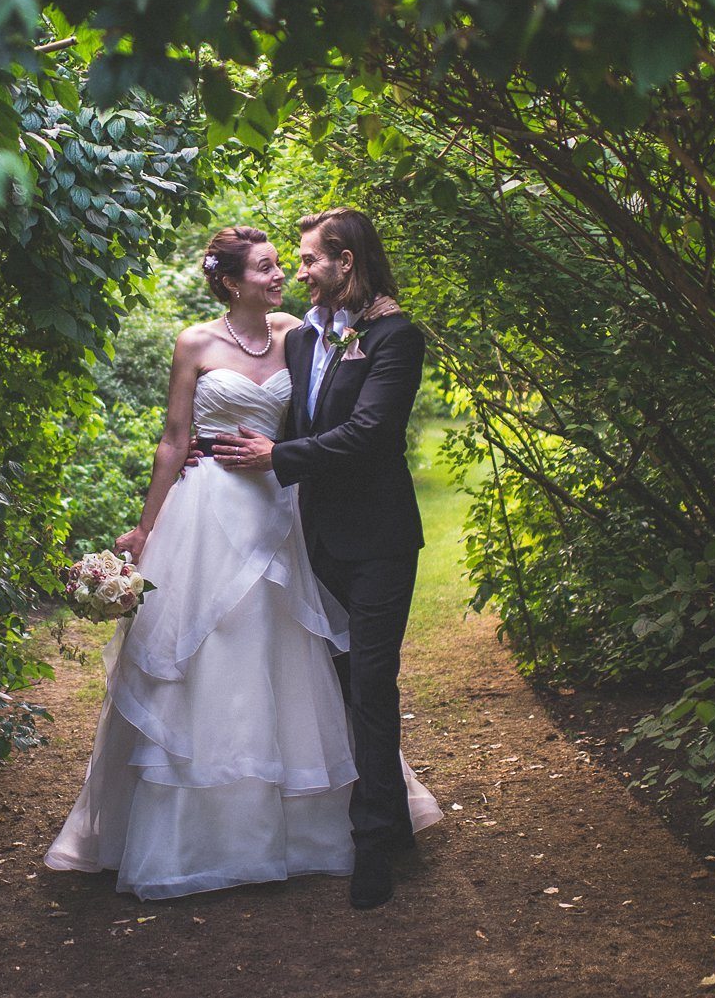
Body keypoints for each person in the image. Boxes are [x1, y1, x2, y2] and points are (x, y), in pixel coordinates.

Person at [43, 224, 439, 904]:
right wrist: (146, 523)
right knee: (212, 659)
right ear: (229, 280)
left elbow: (325, 413)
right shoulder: (196, 342)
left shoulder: (304, 332)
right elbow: (174, 439)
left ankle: (336, 825)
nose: (284, 274)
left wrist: (277, 456)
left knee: (300, 659)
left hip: (282, 511)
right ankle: (204, 832)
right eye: (268, 266)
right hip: (209, 514)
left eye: (292, 262)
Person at [213, 206, 430, 909]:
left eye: (309, 259)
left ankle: (370, 848)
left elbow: (369, 433)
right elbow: (283, 415)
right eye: (298, 260)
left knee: (370, 684)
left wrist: (280, 458)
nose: (300, 272)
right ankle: (394, 820)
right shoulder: (305, 340)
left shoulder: (397, 337)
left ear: (347, 259)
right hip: (315, 542)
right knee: (338, 685)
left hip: (378, 542)